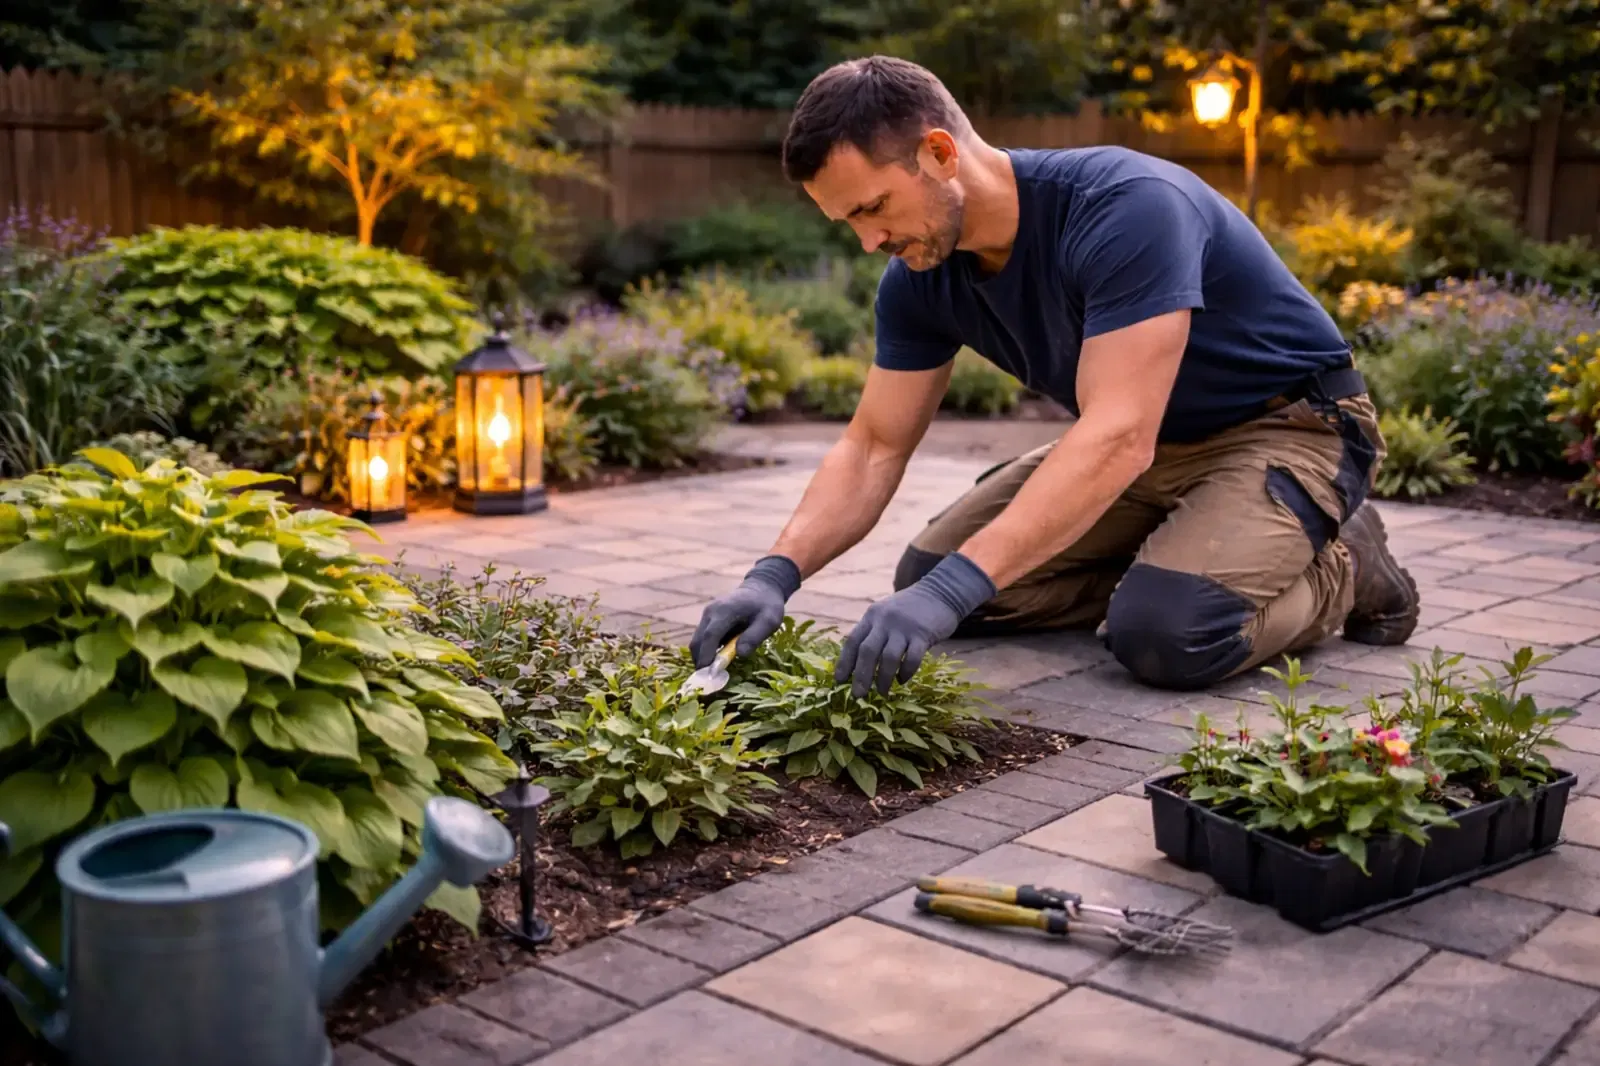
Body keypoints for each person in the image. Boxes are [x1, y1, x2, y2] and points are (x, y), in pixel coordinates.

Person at [687, 55, 1420, 698]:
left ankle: (1348, 564)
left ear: (940, 153)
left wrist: (953, 590)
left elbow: (1117, 434)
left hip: (1287, 428)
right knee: (933, 581)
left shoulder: (1124, 208)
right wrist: (773, 576)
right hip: (1146, 446)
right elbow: (874, 445)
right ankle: (1182, 563)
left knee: (1168, 635)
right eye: (846, 222)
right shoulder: (917, 275)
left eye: (874, 207)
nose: (869, 240)